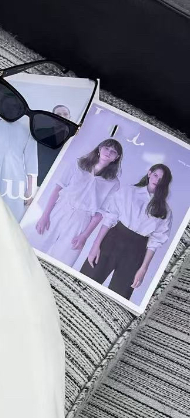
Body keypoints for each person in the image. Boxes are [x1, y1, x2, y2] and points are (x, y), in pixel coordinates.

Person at [81, 164, 173, 300]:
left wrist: (143, 269)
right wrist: (96, 245)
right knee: (86, 280)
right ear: (149, 173)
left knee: (119, 296)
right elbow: (110, 218)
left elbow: (155, 242)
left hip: (136, 251)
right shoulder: (129, 192)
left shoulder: (165, 211)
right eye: (155, 175)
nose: (157, 180)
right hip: (113, 240)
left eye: (162, 179)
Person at [34, 138, 123, 267]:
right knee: (36, 245)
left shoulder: (113, 183)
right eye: (106, 148)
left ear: (116, 157)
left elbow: (100, 213)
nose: (109, 152)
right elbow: (58, 188)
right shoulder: (78, 164)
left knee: (62, 262)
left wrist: (84, 235)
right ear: (99, 148)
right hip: (60, 210)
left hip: (81, 221)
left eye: (113, 152)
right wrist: (45, 215)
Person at [37, 105, 71, 186]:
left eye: (65, 114)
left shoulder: (73, 139)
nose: (62, 117)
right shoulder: (41, 134)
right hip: (40, 180)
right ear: (52, 118)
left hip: (60, 182)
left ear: (70, 117)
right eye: (58, 114)